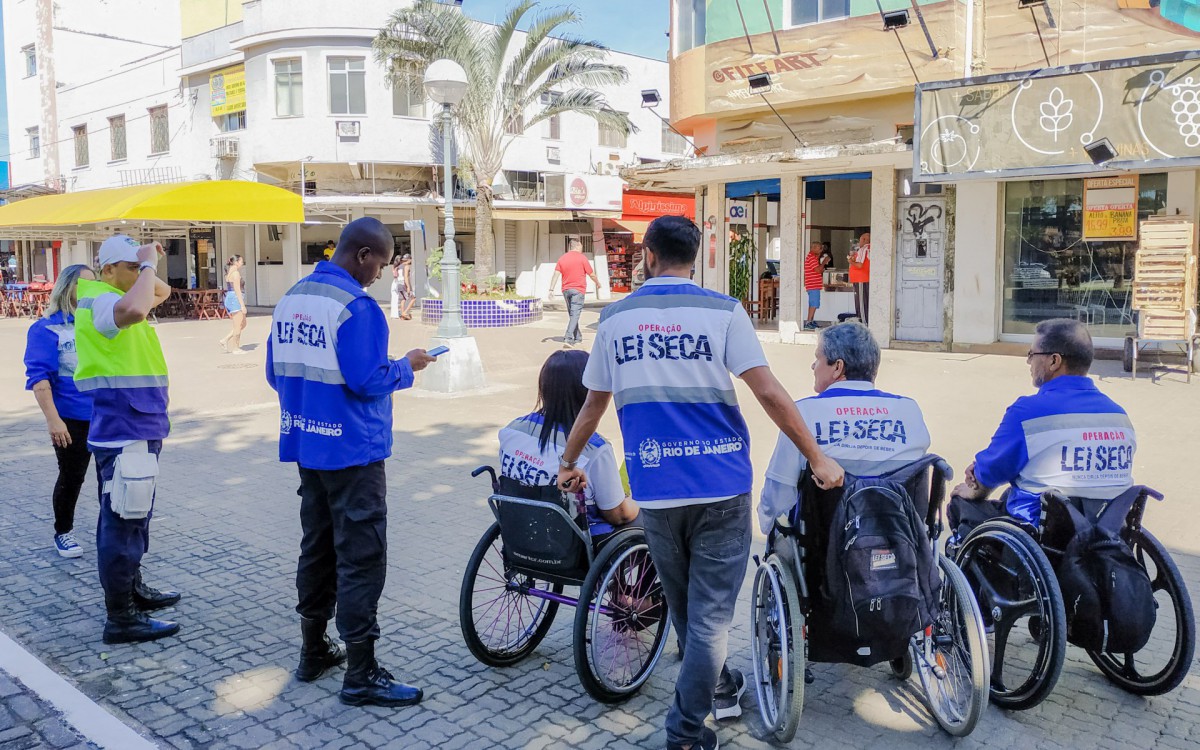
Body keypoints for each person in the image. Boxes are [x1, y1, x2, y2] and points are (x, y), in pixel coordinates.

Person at [556, 215, 843, 750]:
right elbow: (770, 392)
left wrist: (569, 461)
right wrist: (817, 457)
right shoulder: (723, 312)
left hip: (658, 490)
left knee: (690, 611)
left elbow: (592, 405)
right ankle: (684, 733)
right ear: (697, 258)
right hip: (721, 485)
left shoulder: (615, 318)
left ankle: (722, 685)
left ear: (647, 255)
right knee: (708, 619)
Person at [266, 217, 436, 707]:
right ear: (363, 255)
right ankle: (361, 672)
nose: (380, 274)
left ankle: (313, 651)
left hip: (306, 444)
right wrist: (407, 367)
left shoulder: (293, 298)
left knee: (316, 546)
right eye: (380, 263)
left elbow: (276, 373)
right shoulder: (356, 306)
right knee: (361, 557)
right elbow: (368, 379)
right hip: (353, 452)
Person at [74, 235, 180, 644]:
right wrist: (149, 261)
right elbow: (138, 305)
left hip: (137, 425)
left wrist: (145, 264)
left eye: (139, 268)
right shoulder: (102, 300)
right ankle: (121, 617)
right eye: (131, 268)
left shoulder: (115, 292)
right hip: (125, 429)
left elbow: (162, 292)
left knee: (132, 517)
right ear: (107, 270)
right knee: (122, 522)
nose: (141, 275)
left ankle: (132, 589)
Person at [947, 318, 1137, 541]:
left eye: (1032, 355)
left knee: (962, 504)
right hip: (1106, 533)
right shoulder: (1119, 416)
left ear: (1054, 361)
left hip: (1043, 536)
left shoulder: (1028, 411)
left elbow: (991, 473)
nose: (1029, 363)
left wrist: (975, 485)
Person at [757, 322, 931, 533]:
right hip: (899, 539)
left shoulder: (802, 414)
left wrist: (769, 526)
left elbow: (778, 497)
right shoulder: (908, 410)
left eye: (817, 358)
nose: (813, 366)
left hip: (826, 546)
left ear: (837, 367)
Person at [499, 350, 639, 538]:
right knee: (647, 518)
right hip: (576, 543)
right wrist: (637, 501)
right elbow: (618, 515)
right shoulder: (594, 449)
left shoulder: (512, 431)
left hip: (525, 534)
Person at [24, 264, 98, 559]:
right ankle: (63, 531)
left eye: (95, 284)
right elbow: (39, 379)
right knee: (72, 476)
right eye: (84, 284)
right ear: (67, 287)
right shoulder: (46, 328)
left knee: (112, 477)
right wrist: (54, 420)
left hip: (106, 414)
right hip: (70, 418)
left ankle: (112, 532)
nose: (91, 290)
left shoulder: (97, 323)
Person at [549, 237, 600, 348]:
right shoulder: (582, 258)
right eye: (581, 246)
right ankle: (568, 338)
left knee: (573, 315)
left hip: (566, 290)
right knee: (575, 314)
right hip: (578, 290)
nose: (582, 248)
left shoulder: (562, 259)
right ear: (577, 246)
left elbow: (556, 274)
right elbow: (591, 274)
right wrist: (598, 283)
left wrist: (551, 289)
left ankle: (578, 337)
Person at [219, 255, 247, 354]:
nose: (242, 263)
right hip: (235, 299)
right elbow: (237, 290)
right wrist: (242, 305)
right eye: (241, 261)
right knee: (238, 325)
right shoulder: (235, 274)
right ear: (236, 262)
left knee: (243, 323)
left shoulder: (229, 273)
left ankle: (225, 340)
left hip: (232, 298)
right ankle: (236, 347)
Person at [803, 241, 830, 331]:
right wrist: (824, 262)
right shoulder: (811, 258)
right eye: (820, 248)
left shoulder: (813, 258)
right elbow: (818, 270)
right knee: (814, 304)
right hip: (812, 285)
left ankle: (811, 320)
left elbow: (817, 270)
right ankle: (809, 322)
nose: (821, 250)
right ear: (814, 248)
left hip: (814, 285)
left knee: (813, 303)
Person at [850, 231, 870, 324]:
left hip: (861, 279)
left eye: (861, 239)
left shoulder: (863, 249)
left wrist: (851, 261)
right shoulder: (870, 248)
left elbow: (859, 265)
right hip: (865, 278)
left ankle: (863, 323)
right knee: (865, 301)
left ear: (864, 240)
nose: (859, 242)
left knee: (861, 303)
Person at [390, 254, 416, 321]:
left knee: (403, 299)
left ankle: (402, 316)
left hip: (399, 284)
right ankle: (404, 313)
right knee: (413, 298)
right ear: (409, 259)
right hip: (404, 284)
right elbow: (406, 277)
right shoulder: (406, 266)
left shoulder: (398, 266)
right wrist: (408, 287)